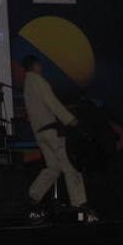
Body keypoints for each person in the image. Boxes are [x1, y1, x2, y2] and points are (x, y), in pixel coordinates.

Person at [22, 55, 98, 223]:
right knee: (70, 165)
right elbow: (52, 103)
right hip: (51, 131)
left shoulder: (27, 85)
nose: (42, 68)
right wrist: (70, 120)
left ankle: (33, 196)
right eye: (40, 65)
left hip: (40, 133)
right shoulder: (38, 81)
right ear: (35, 65)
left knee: (54, 167)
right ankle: (80, 203)